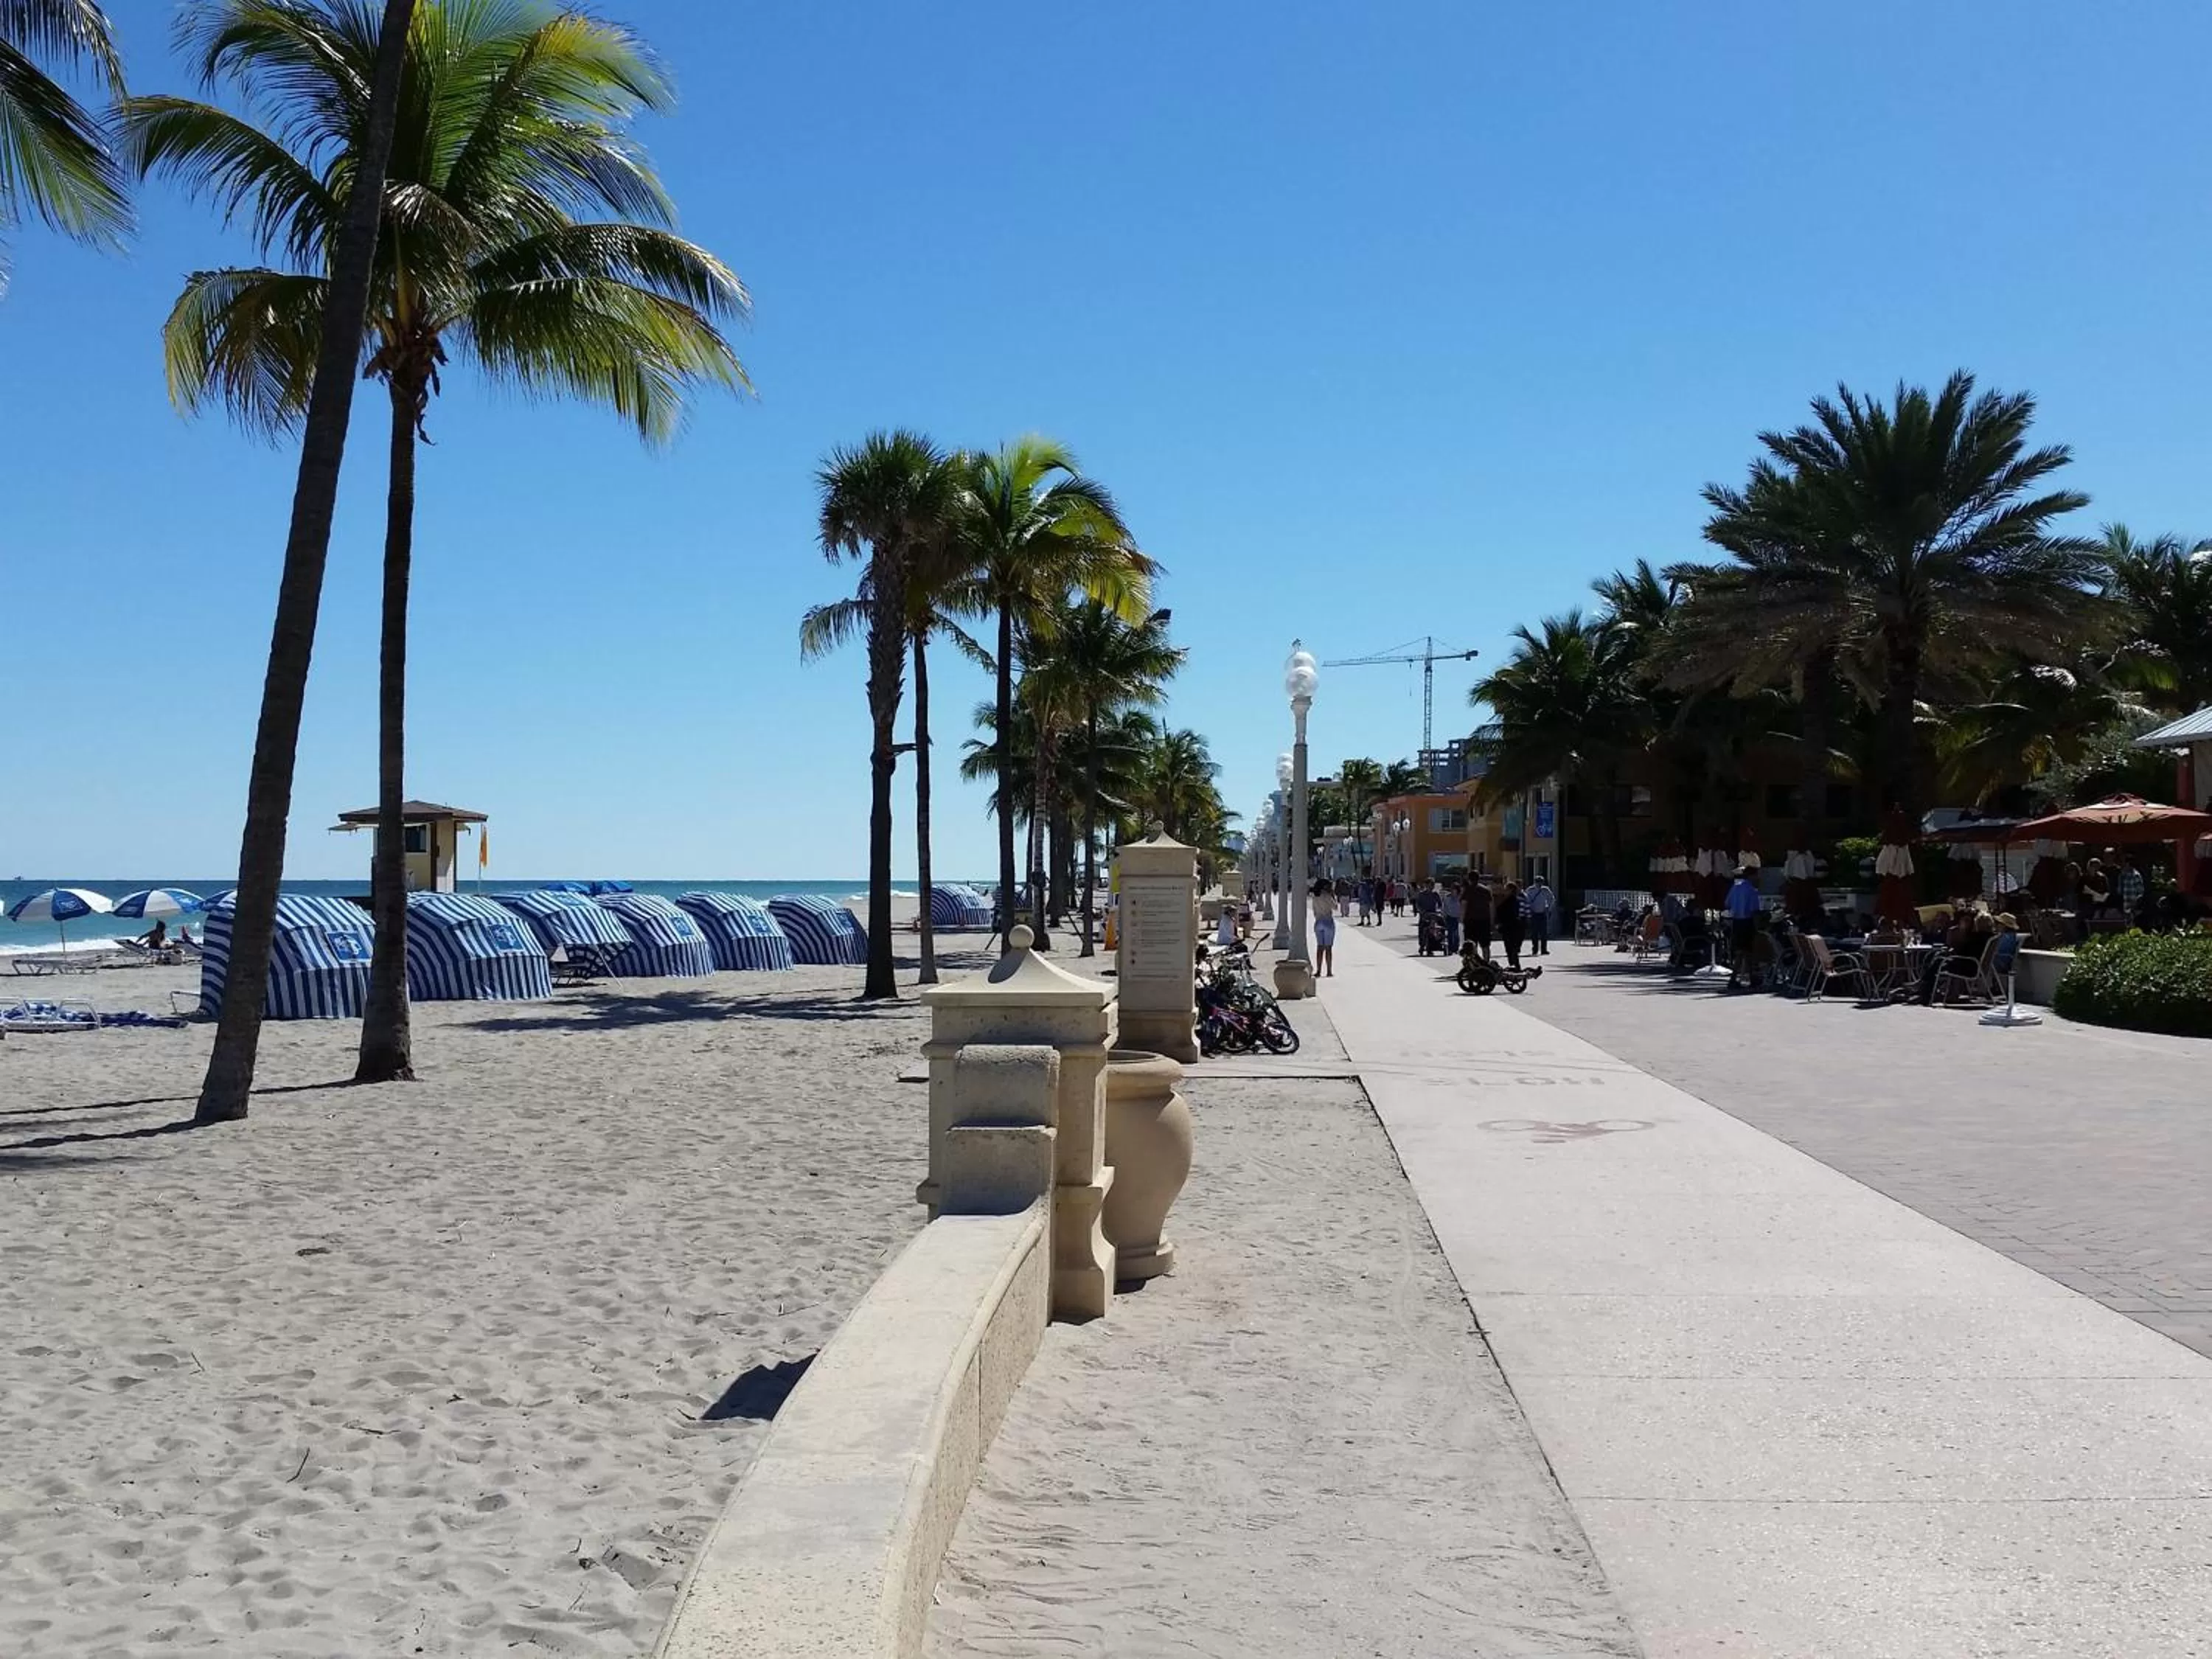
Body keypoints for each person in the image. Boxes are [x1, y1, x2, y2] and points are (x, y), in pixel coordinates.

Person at [1723, 867, 1761, 988]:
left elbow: (1727, 903)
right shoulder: (1752, 890)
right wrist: (1758, 927)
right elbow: (1754, 910)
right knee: (1744, 951)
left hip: (1737, 921)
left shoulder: (1735, 888)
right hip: (1747, 922)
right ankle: (1734, 978)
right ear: (1751, 876)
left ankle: (1751, 977)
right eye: (1756, 875)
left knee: (1746, 952)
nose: (1758, 878)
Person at [1310, 878, 1338, 977]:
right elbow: (1335, 907)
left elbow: (1314, 911)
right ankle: (1329, 971)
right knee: (1328, 948)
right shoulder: (1327, 896)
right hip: (1328, 921)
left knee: (1320, 947)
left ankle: (1318, 970)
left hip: (1318, 922)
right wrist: (1333, 895)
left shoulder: (1315, 897)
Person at [1463, 874, 1494, 961]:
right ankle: (1486, 963)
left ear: (1469, 880)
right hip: (1484, 921)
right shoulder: (1486, 890)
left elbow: (1464, 904)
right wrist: (1491, 921)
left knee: (1471, 945)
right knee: (1485, 945)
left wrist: (1461, 919)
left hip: (1470, 921)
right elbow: (1491, 906)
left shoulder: (1468, 890)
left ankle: (1473, 964)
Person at [1525, 874, 1556, 955]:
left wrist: (1549, 908)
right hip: (1534, 913)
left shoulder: (1545, 890)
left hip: (1542, 913)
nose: (1539, 884)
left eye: (1541, 882)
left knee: (1544, 933)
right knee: (1534, 933)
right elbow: (1526, 900)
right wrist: (1529, 910)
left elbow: (1552, 899)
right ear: (1535, 882)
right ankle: (1535, 949)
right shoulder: (1530, 890)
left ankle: (1544, 949)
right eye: (1538, 882)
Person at [1441, 879, 1463, 954]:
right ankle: (1450, 948)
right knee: (1450, 933)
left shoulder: (1460, 898)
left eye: (1455, 890)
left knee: (1456, 933)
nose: (1454, 891)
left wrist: (1462, 916)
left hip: (1458, 917)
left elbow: (1462, 907)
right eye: (1453, 889)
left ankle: (1456, 948)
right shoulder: (1448, 898)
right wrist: (1444, 914)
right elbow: (1444, 907)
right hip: (1450, 917)